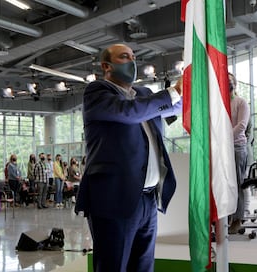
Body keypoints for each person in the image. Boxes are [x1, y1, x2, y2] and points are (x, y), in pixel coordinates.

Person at [75, 43, 182, 272]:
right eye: (124, 57)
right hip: (114, 198)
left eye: (134, 57)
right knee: (113, 266)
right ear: (107, 66)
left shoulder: (143, 95)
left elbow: (173, 107)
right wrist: (174, 91)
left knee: (143, 266)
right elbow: (129, 112)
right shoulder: (97, 92)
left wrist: (193, 90)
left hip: (148, 199)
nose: (132, 62)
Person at [228, 72, 250, 234]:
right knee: (224, 184)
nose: (227, 83)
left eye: (230, 81)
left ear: (234, 84)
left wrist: (224, 138)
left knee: (237, 182)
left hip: (236, 147)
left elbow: (242, 126)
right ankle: (224, 217)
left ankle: (237, 219)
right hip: (221, 149)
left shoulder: (241, 102)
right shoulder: (219, 103)